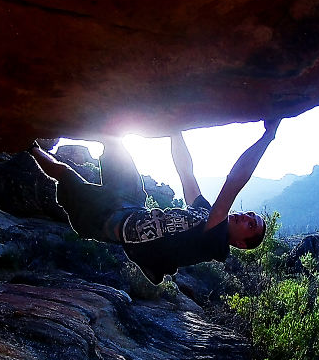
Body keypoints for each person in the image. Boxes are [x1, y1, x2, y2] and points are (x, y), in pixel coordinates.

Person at [28, 119, 281, 284]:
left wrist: (268, 136)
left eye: (250, 225)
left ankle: (31, 148)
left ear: (239, 243)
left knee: (67, 176)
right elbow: (186, 174)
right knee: (114, 137)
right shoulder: (206, 214)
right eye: (250, 215)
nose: (246, 217)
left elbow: (232, 184)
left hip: (107, 220)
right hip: (132, 202)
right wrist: (175, 128)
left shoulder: (214, 241)